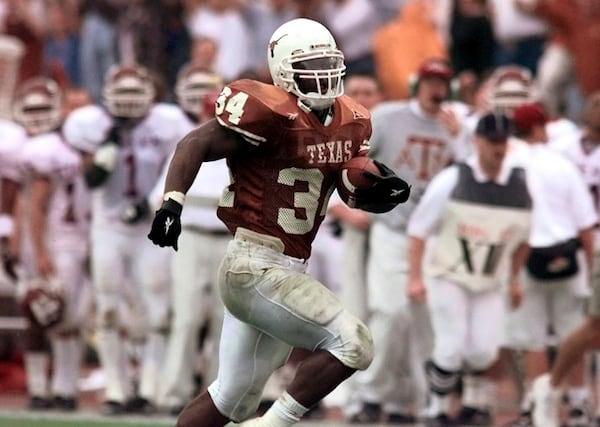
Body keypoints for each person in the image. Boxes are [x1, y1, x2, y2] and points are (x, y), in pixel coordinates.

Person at [147, 17, 410, 427]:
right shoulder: (267, 112)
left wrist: (369, 194)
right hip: (255, 264)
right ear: (284, 71)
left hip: (286, 268)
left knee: (231, 399)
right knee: (353, 343)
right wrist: (171, 204)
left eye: (328, 64)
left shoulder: (352, 119)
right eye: (311, 68)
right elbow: (195, 142)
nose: (323, 77)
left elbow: (338, 189)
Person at [62, 63, 191, 415]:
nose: (130, 101)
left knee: (157, 307)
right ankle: (116, 390)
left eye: (136, 93)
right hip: (108, 226)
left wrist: (151, 202)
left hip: (149, 225)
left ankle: (150, 388)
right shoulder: (91, 125)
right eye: (124, 94)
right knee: (107, 308)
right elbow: (91, 181)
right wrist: (105, 151)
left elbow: (177, 166)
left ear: (151, 94)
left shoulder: (168, 122)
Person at [348, 57, 471, 424]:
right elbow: (357, 160)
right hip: (393, 226)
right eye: (430, 81)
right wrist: (359, 201)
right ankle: (370, 393)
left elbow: (470, 176)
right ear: (418, 83)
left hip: (435, 236)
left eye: (442, 82)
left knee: (429, 322)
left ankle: (419, 401)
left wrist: (459, 139)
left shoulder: (457, 126)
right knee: (391, 312)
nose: (436, 89)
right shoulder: (388, 116)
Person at [407, 112, 533, 426]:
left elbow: (525, 240)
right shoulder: (453, 180)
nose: (498, 148)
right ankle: (436, 409)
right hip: (448, 273)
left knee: (483, 352)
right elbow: (419, 229)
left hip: (488, 280)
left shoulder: (518, 187)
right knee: (451, 345)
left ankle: (462, 397)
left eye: (503, 141)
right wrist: (414, 277)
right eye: (492, 141)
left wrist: (514, 279)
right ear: (476, 141)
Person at [500, 103, 597, 427]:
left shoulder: (508, 165)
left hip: (525, 260)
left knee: (532, 338)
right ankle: (580, 402)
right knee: (574, 333)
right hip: (567, 257)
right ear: (540, 128)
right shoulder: (561, 164)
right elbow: (585, 223)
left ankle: (536, 404)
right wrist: (590, 266)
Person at [13, 76, 92, 411]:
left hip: (72, 238)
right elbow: (31, 203)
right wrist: (36, 249)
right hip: (53, 241)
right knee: (45, 313)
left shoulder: (75, 146)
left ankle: (64, 387)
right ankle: (45, 388)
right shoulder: (43, 148)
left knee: (69, 318)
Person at [155, 63, 230, 415]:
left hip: (230, 240)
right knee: (186, 317)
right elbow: (159, 194)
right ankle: (173, 392)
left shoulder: (241, 150)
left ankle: (218, 397)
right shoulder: (190, 144)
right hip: (191, 239)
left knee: (223, 320)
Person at [530, 91, 600, 427]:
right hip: (580, 244)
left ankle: (572, 396)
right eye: (596, 102)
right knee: (586, 326)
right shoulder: (560, 151)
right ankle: (560, 392)